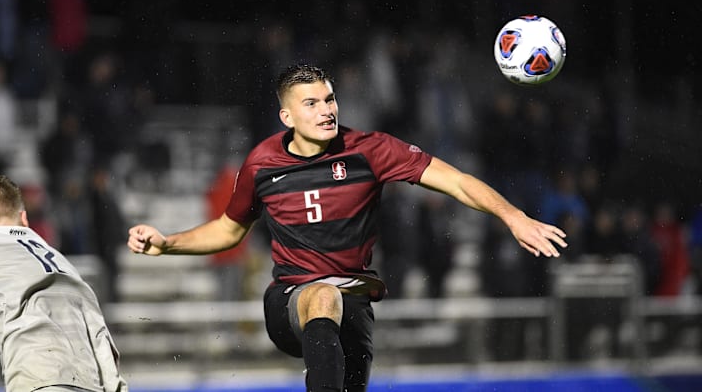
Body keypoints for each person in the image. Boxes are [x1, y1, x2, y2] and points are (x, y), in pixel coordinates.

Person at [127, 64, 567, 392]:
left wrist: (513, 216)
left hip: (355, 306)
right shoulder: (262, 164)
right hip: (290, 302)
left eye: (330, 99)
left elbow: (456, 182)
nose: (326, 110)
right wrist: (168, 244)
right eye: (312, 103)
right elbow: (228, 230)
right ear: (287, 117)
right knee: (323, 294)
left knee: (341, 327)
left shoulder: (369, 151)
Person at [0, 174, 127, 392]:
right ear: (24, 219)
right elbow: (98, 334)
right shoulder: (62, 262)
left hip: (39, 381)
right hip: (92, 384)